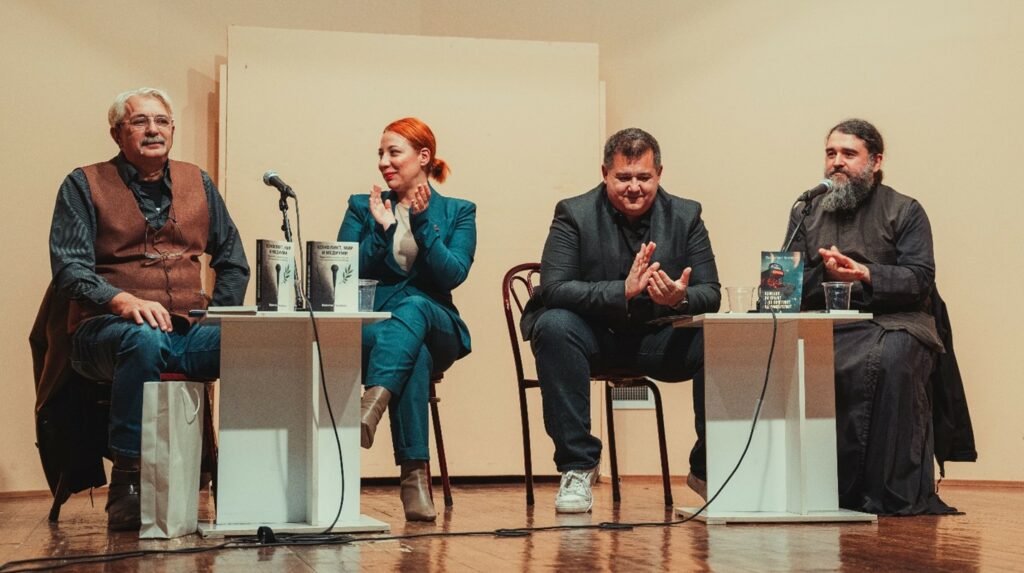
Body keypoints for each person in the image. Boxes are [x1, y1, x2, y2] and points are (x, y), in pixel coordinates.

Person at [46, 87, 249, 529]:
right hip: (103, 332)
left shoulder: (199, 182)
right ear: (117, 134)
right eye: (140, 121)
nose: (153, 130)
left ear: (173, 129)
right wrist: (121, 301)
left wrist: (219, 318)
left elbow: (233, 261)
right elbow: (70, 270)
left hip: (187, 332)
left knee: (258, 344)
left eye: (161, 121)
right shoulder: (83, 184)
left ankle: (254, 477)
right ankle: (129, 483)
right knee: (144, 339)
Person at [520, 128, 720, 513]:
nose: (634, 187)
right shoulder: (573, 213)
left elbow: (710, 292)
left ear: (659, 173)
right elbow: (554, 288)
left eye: (644, 177)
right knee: (553, 324)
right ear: (604, 173)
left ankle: (708, 466)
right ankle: (578, 467)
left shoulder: (687, 214)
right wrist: (621, 291)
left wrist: (679, 298)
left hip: (657, 338)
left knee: (722, 341)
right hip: (594, 337)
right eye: (623, 177)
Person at [784, 118, 957, 515]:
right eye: (831, 153)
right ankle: (806, 486)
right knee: (779, 351)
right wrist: (824, 272)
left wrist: (864, 273)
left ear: (876, 161)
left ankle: (886, 492)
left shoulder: (905, 210)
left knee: (894, 357)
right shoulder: (806, 210)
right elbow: (787, 281)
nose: (837, 162)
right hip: (828, 320)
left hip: (897, 320)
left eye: (849, 154)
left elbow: (920, 278)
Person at [338, 117, 476, 521]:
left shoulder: (458, 211)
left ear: (423, 157)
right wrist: (381, 232)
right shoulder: (362, 207)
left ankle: (372, 403)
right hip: (381, 330)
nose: (384, 161)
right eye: (380, 153)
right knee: (413, 357)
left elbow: (453, 274)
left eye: (393, 152)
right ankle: (414, 479)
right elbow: (342, 271)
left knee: (414, 308)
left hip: (438, 326)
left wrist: (421, 225)